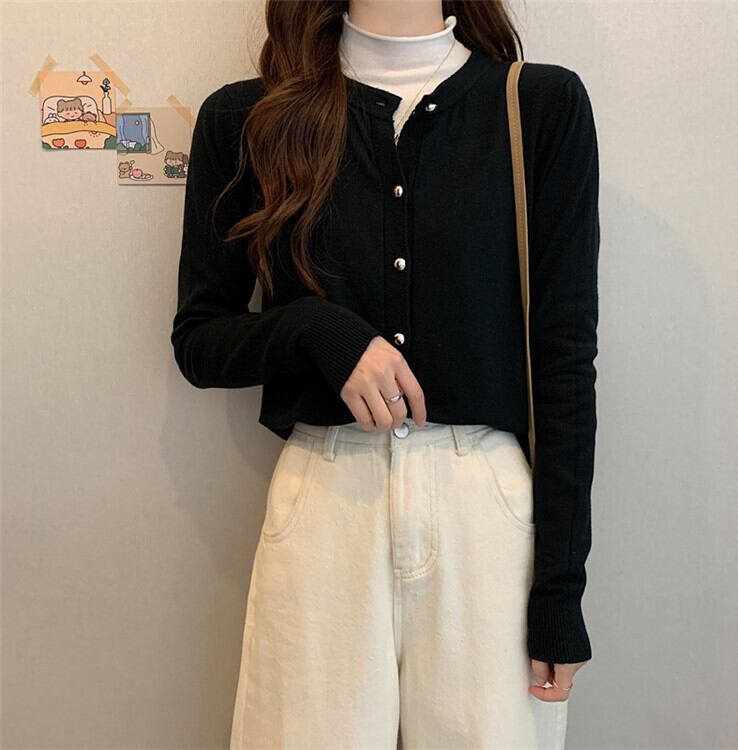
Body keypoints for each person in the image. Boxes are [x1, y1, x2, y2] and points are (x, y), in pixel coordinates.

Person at [170, 1, 600, 747]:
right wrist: (316, 328)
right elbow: (200, 340)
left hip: (484, 509)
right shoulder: (248, 119)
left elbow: (564, 362)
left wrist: (561, 590)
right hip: (325, 499)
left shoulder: (538, 106)